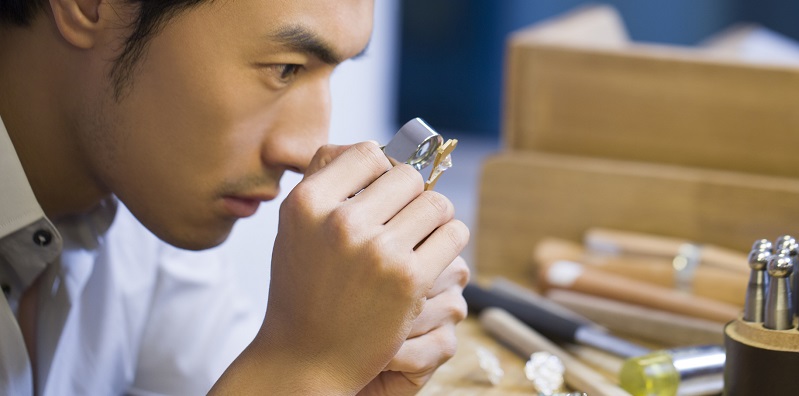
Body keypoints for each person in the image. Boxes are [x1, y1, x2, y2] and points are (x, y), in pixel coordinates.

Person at [0, 0, 470, 394]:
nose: (307, 150)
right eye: (285, 68)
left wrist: (349, 368)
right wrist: (305, 366)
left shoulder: (148, 210)